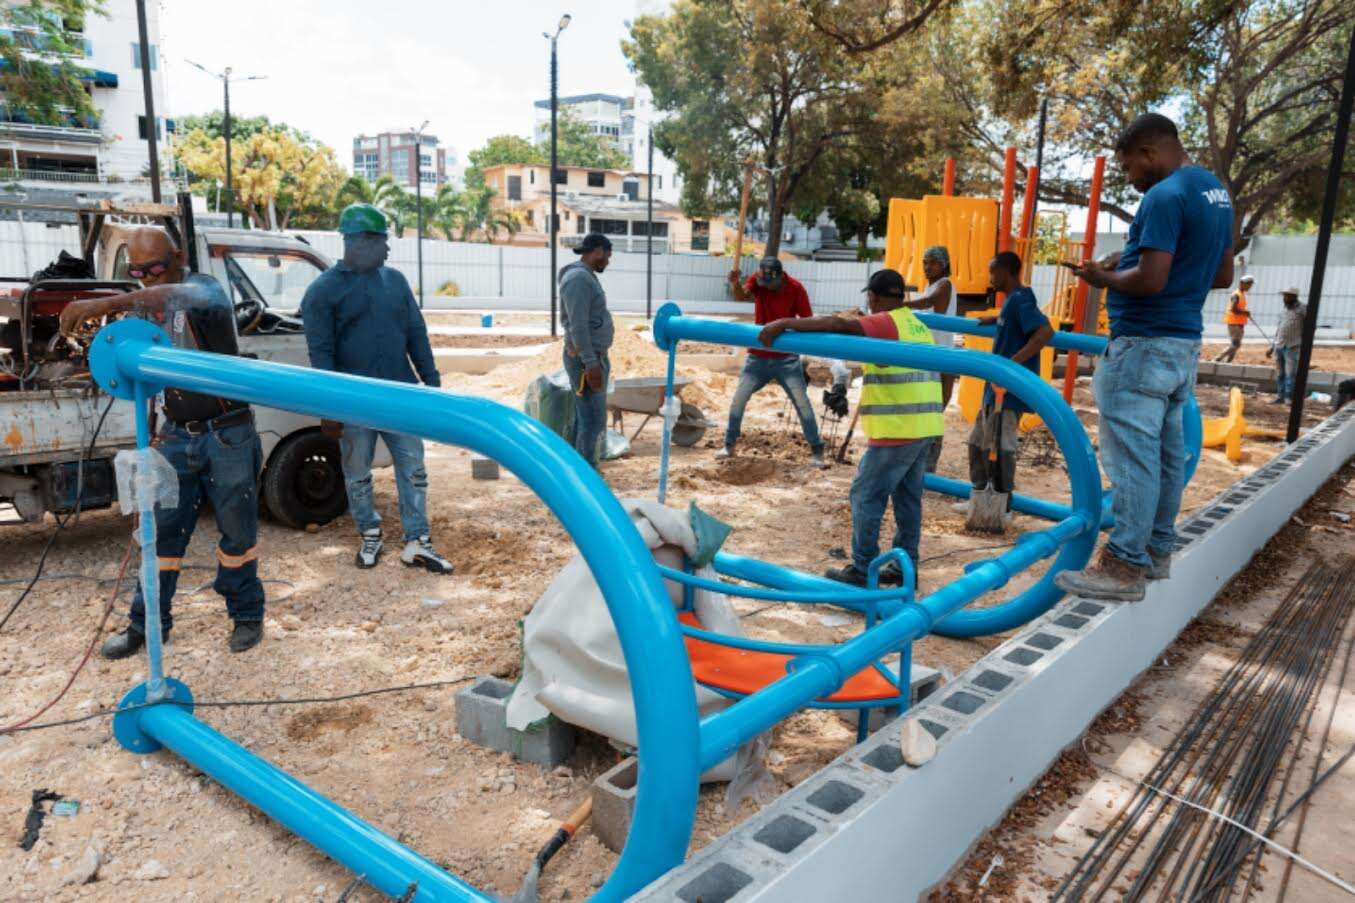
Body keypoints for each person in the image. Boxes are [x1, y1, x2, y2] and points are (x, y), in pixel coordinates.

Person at [58, 226, 267, 657]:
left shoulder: (204, 289)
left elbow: (174, 295)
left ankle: (246, 616)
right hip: (176, 434)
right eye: (137, 272)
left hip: (226, 433)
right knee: (161, 534)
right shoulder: (145, 307)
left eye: (155, 268)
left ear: (178, 258)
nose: (146, 279)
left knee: (237, 534)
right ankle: (147, 624)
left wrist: (103, 303)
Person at [1056, 113, 1234, 603]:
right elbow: (1220, 274)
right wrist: (1130, 262)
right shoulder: (1214, 192)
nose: (1130, 178)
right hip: (1182, 343)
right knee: (1166, 456)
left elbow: (1151, 281)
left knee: (1134, 457)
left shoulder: (1163, 196)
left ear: (1149, 153)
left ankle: (1123, 564)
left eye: (1129, 166)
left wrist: (1103, 279)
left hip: (1142, 344)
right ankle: (1155, 551)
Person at [757, 269, 944, 587]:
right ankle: (905, 567)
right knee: (907, 499)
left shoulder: (885, 322)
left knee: (866, 494)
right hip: (925, 425)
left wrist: (784, 323)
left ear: (874, 297)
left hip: (898, 427)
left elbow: (838, 325)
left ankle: (863, 568)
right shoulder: (916, 324)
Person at [300, 203, 453, 573]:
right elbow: (321, 354)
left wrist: (431, 382)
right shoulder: (322, 292)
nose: (387, 249)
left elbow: (416, 333)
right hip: (354, 403)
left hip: (401, 395)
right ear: (358, 242)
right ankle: (369, 533)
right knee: (357, 473)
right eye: (382, 241)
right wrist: (329, 408)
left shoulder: (395, 281)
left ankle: (417, 540)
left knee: (413, 469)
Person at [723, 256, 827, 467]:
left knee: (802, 404)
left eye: (770, 283)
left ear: (780, 277)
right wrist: (735, 284)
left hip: (786, 359)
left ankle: (817, 449)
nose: (766, 287)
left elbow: (808, 321)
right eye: (763, 282)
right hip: (757, 357)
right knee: (738, 400)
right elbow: (741, 296)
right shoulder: (758, 281)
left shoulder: (796, 289)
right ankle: (728, 445)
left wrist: (783, 325)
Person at [968, 251, 1054, 503]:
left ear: (1006, 271)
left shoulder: (1021, 298)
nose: (990, 278)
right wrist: (995, 319)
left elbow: (1045, 331)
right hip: (995, 386)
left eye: (993, 272)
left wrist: (1011, 365)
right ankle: (979, 494)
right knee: (978, 441)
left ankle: (1001, 501)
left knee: (1000, 446)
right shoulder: (1011, 302)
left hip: (1007, 391)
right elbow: (1016, 320)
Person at [559, 232, 615, 467]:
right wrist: (591, 364)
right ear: (598, 251)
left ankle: (580, 470)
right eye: (607, 256)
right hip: (586, 361)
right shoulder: (578, 279)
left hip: (590, 358)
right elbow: (578, 325)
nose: (608, 262)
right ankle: (584, 475)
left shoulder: (584, 276)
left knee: (588, 419)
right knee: (593, 421)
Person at [906, 246, 960, 472]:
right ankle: (921, 463)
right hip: (929, 355)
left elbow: (928, 302)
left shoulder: (944, 285)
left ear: (943, 265)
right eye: (924, 262)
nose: (927, 267)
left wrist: (902, 306)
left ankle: (927, 466)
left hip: (940, 356)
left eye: (932, 263)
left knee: (933, 411)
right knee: (926, 411)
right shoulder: (930, 286)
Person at [1267, 287, 1306, 404]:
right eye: (1284, 296)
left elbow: (1310, 326)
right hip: (1279, 345)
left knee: (1290, 374)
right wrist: (1272, 347)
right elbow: (1279, 328)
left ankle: (1289, 397)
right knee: (1280, 374)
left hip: (1292, 346)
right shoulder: (1284, 310)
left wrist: (1304, 343)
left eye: (1287, 296)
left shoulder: (1303, 309)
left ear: (1294, 296)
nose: (1285, 298)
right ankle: (1280, 396)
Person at [1212, 274, 1253, 362]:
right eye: (1249, 284)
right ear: (1242, 283)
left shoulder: (1241, 294)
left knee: (1235, 345)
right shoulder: (1236, 295)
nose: (1250, 287)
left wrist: (1245, 313)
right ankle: (1217, 359)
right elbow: (1233, 309)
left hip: (1239, 323)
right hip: (1234, 323)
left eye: (1251, 285)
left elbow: (1238, 308)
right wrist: (1245, 312)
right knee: (1236, 344)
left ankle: (1228, 362)